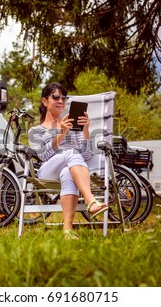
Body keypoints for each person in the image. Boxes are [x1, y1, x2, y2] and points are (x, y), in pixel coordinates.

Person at [28, 82, 109, 239]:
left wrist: (85, 129)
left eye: (63, 98)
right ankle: (90, 199)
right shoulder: (35, 131)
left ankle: (67, 231)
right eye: (56, 97)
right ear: (45, 101)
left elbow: (85, 156)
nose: (60, 101)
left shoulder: (73, 126)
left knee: (68, 171)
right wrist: (62, 133)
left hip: (72, 169)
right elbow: (43, 156)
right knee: (71, 151)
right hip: (47, 173)